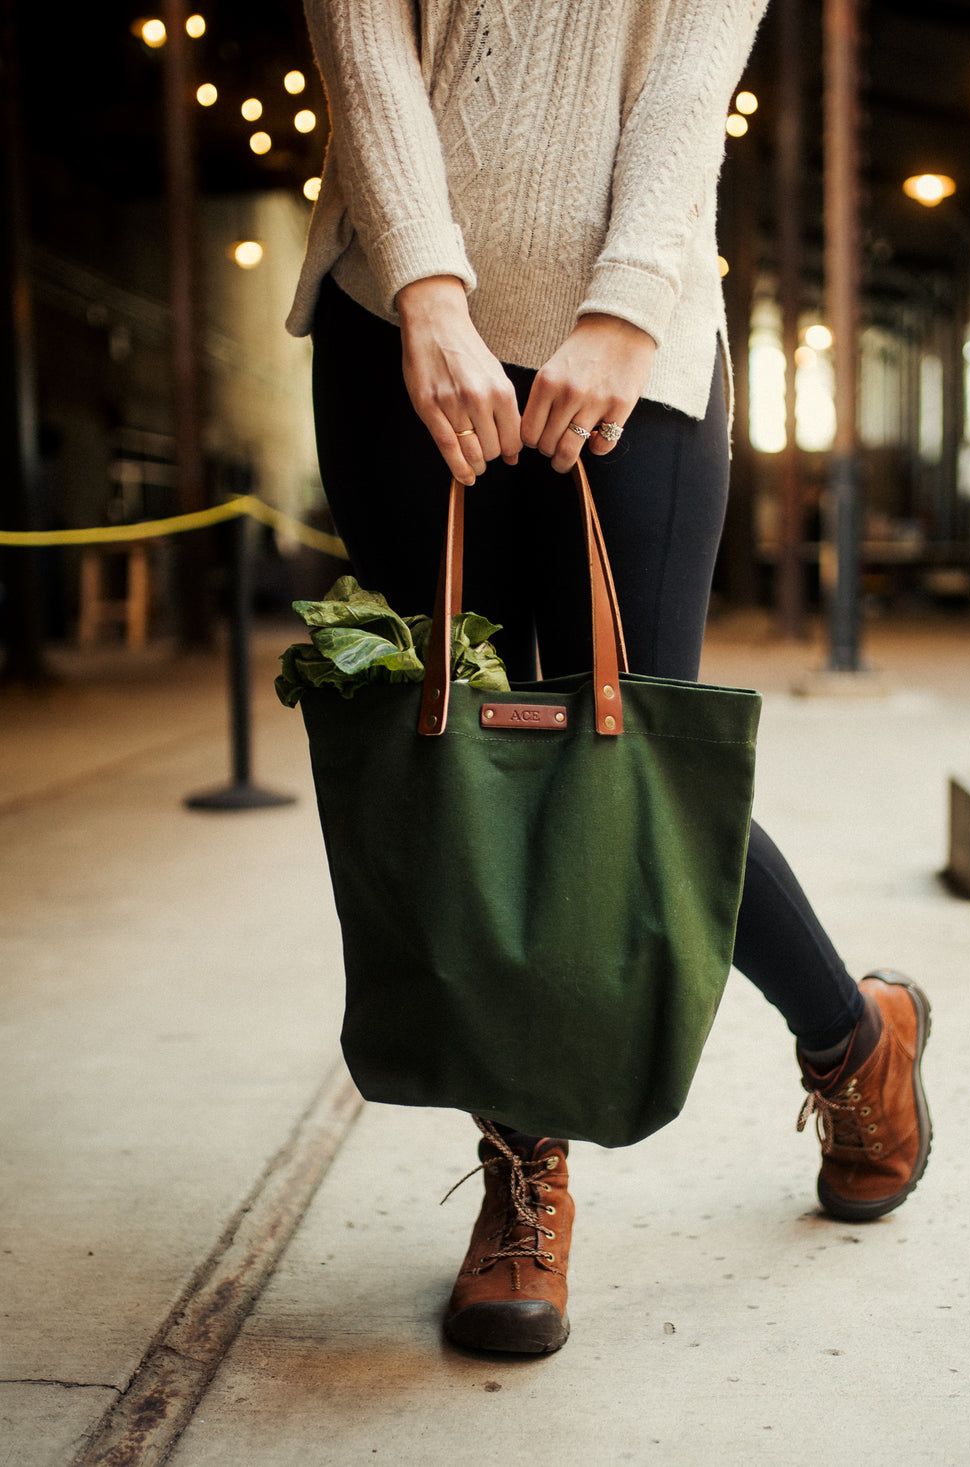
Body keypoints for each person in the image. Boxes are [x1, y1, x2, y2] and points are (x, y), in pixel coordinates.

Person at [288, 0, 932, 1356]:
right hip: (395, 327)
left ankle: (854, 1039)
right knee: (464, 762)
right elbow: (364, 51)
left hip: (626, 338)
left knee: (629, 764)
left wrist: (631, 306)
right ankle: (526, 1177)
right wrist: (429, 292)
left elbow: (688, 87)